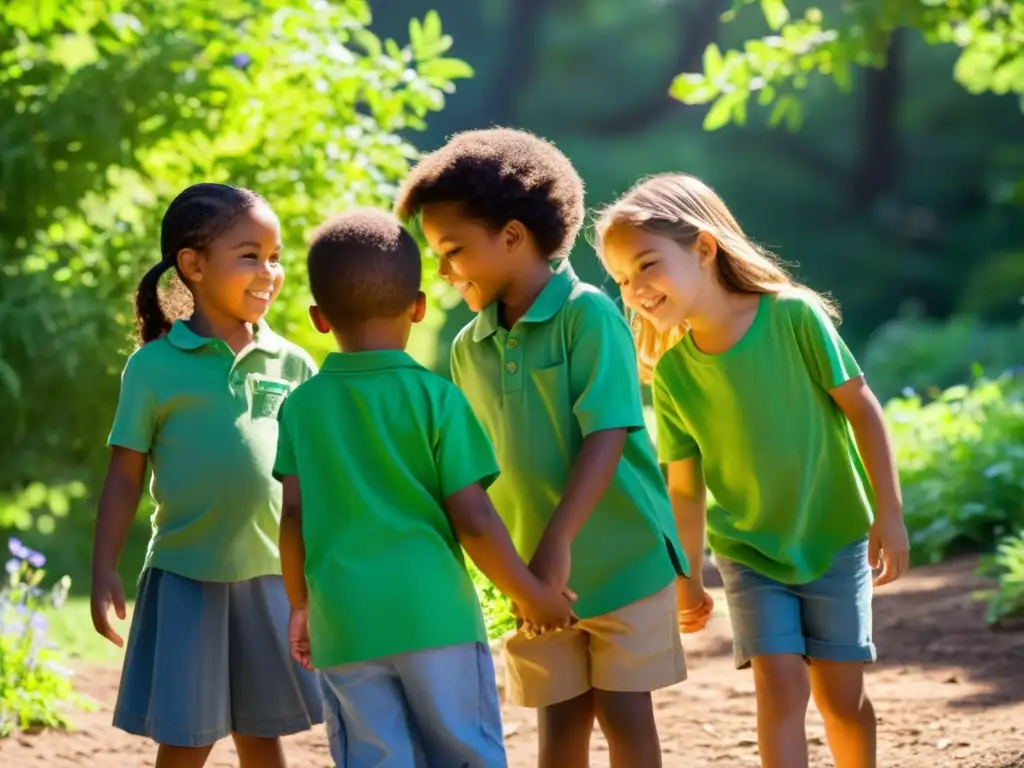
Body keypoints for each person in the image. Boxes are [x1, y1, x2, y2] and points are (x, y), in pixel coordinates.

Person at [394, 128, 689, 768]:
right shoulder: (467, 348)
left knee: (625, 717)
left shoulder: (589, 316)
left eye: (452, 251)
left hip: (623, 562)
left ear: (512, 237)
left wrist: (558, 544)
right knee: (558, 726)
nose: (442, 271)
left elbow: (609, 432)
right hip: (527, 576)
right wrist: (522, 575)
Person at [597, 172, 911, 768]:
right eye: (621, 279)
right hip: (748, 551)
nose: (635, 289)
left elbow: (863, 411)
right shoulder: (673, 376)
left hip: (834, 535)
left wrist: (889, 514)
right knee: (779, 686)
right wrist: (687, 575)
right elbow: (684, 490)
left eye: (647, 265)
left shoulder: (794, 316)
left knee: (841, 698)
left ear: (704, 249)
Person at [273, 208, 575, 768]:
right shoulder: (437, 399)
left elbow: (293, 517)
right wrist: (533, 595)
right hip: (436, 617)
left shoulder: (301, 408)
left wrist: (299, 604)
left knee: (375, 756)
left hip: (345, 623)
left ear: (319, 318)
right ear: (417, 307)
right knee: (465, 752)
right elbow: (475, 520)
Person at [90, 183, 323, 768]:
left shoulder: (293, 363)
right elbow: (124, 474)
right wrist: (102, 567)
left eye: (275, 256)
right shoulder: (154, 366)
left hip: (274, 576)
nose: (268, 271)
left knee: (262, 731)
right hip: (187, 575)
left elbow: (313, 479)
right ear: (192, 266)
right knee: (188, 736)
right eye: (250, 255)